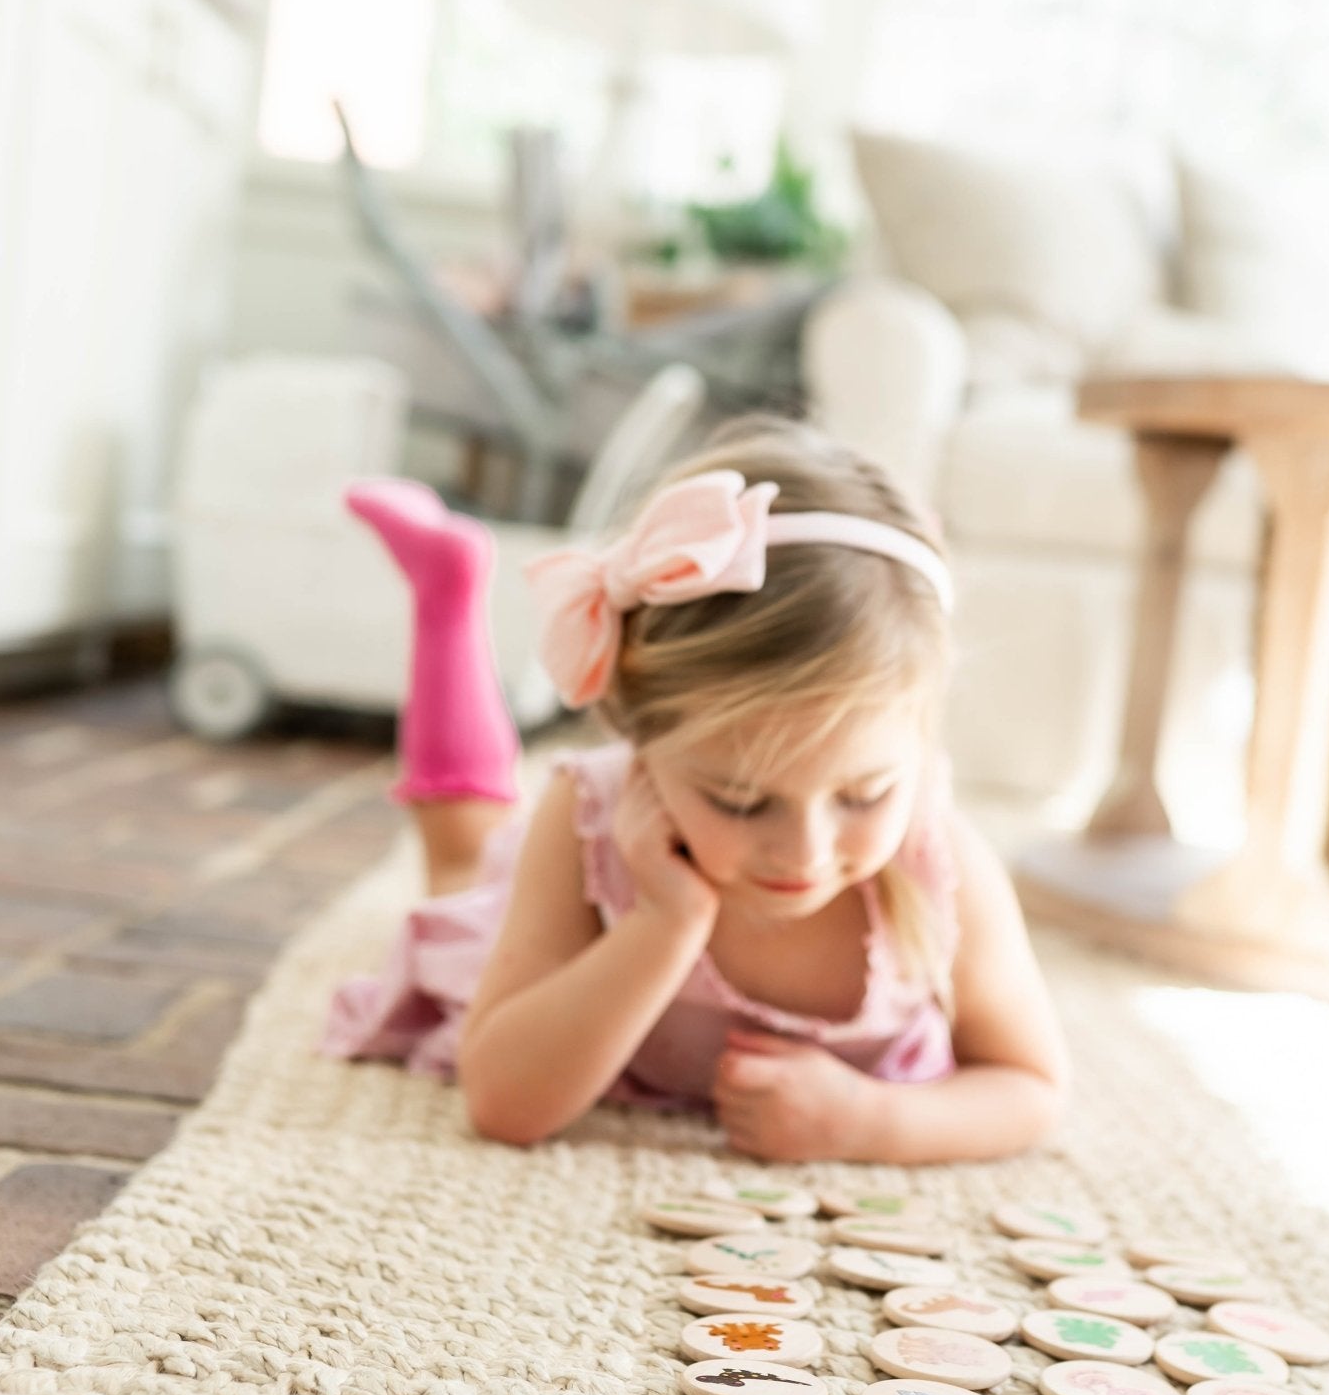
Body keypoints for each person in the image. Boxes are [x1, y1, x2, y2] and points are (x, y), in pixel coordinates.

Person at [324, 417, 1067, 1163]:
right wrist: (662, 926)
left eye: (864, 794)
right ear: (640, 739)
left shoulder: (941, 866)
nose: (805, 851)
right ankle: (447, 596)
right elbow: (501, 1104)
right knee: (462, 863)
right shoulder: (588, 818)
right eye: (741, 800)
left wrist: (871, 1122)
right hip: (596, 894)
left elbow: (1030, 1084)